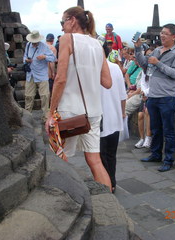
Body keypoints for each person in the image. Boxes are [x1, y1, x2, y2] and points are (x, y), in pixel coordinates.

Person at [45, 6, 113, 191]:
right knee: (95, 161)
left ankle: (68, 196)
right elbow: (107, 82)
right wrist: (88, 69)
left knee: (59, 155)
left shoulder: (67, 39)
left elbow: (60, 79)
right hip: (93, 112)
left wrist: (51, 113)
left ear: (72, 20)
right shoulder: (97, 44)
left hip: (70, 112)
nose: (61, 27)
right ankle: (108, 201)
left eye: (63, 21)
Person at [134, 23, 175, 172]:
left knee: (168, 130)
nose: (161, 35)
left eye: (165, 33)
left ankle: (168, 159)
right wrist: (138, 48)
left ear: (174, 37)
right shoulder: (156, 50)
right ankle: (155, 154)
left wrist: (158, 63)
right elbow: (144, 64)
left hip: (167, 97)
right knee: (155, 128)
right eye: (161, 33)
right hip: (153, 96)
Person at [100, 41, 127, 193]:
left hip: (101, 120)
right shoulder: (115, 68)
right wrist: (122, 113)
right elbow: (122, 95)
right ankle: (112, 182)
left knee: (101, 155)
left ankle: (106, 184)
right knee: (111, 154)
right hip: (115, 118)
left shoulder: (93, 71)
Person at [24, 30, 56, 122]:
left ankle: (45, 117)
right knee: (28, 96)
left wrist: (44, 57)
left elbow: (53, 58)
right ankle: (27, 116)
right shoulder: (28, 45)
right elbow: (24, 57)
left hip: (42, 75)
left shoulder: (44, 47)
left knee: (45, 96)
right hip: (31, 74)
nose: (34, 43)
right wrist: (26, 60)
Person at [45, 33, 57, 97]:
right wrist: (53, 72)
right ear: (52, 40)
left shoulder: (42, 47)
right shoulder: (52, 48)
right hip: (48, 73)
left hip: (41, 73)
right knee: (50, 89)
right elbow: (51, 61)